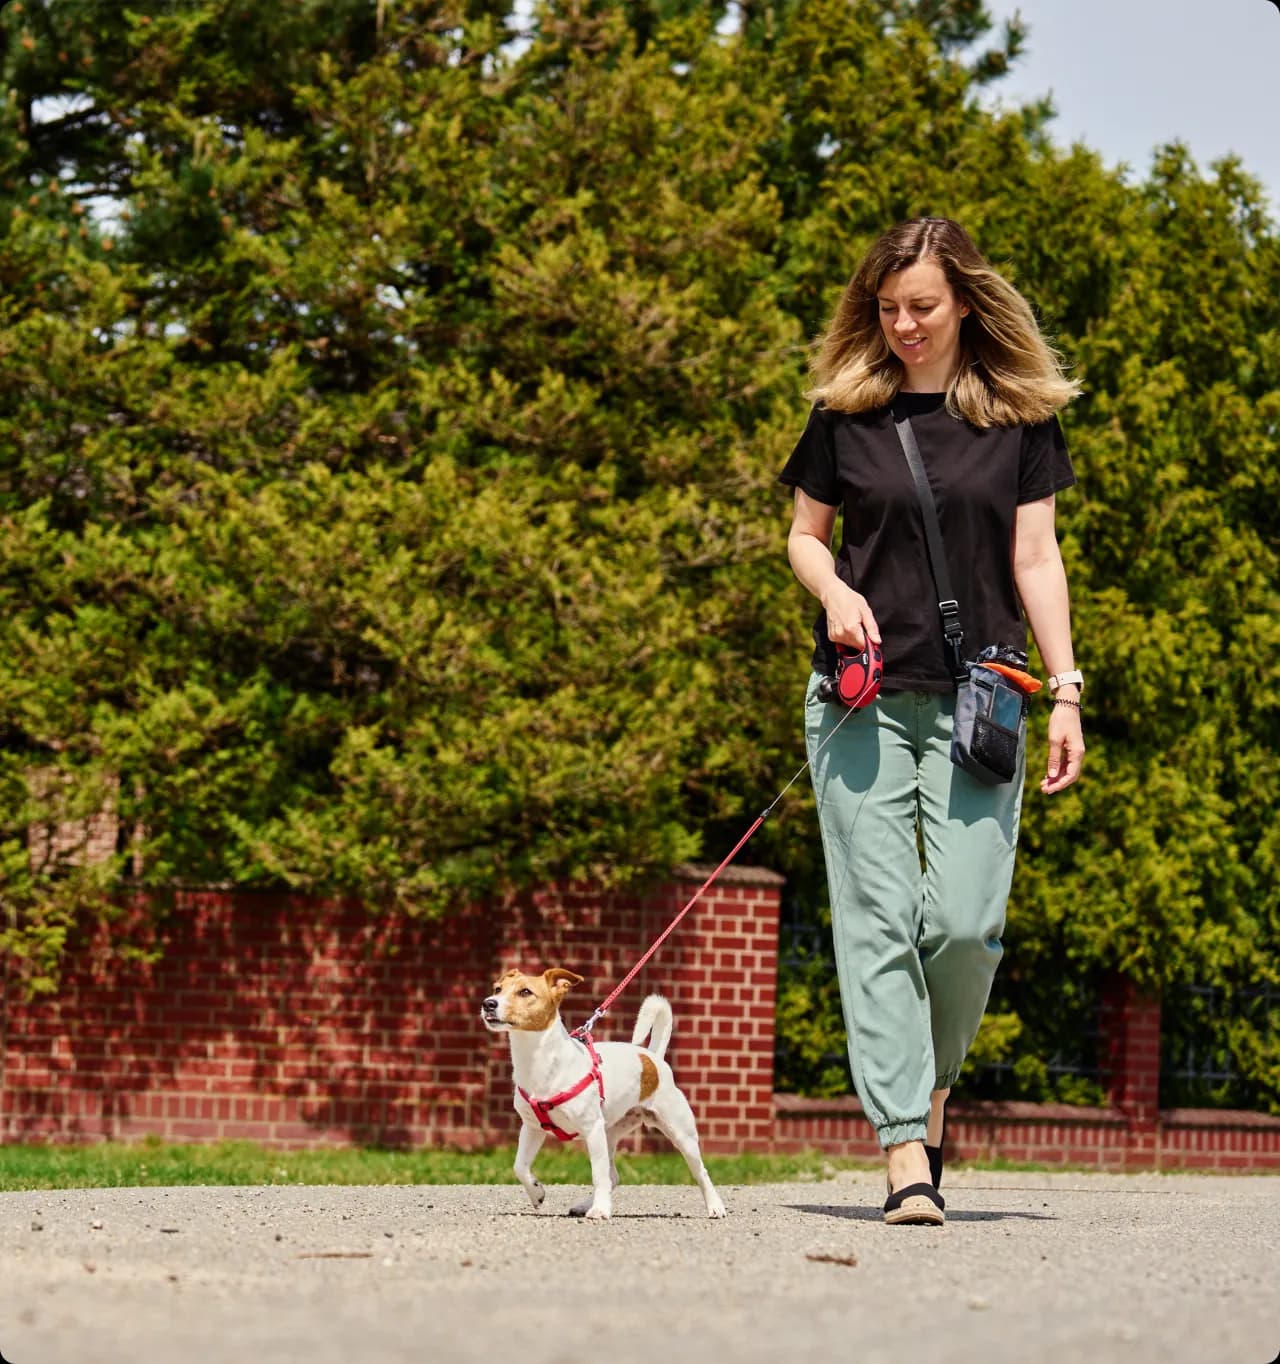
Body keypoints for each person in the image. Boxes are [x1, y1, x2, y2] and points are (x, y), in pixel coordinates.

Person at [778, 217, 1084, 1226]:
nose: (903, 325)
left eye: (921, 306)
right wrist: (830, 593)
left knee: (960, 925)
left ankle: (930, 1093)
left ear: (963, 303)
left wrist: (1066, 685)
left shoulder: (1017, 420)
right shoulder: (842, 413)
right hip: (858, 698)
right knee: (875, 922)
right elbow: (803, 536)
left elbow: (1034, 558)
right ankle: (904, 1146)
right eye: (886, 308)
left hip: (982, 696)